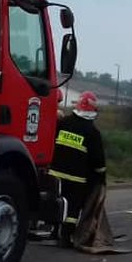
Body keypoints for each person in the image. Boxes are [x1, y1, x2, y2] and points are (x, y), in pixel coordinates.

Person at [50, 91, 110, 248]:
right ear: (93, 110)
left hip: (55, 173)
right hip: (76, 178)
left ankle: (53, 230)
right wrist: (101, 176)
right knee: (72, 208)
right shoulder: (92, 132)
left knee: (56, 203)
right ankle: (65, 236)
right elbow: (98, 160)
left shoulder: (63, 122)